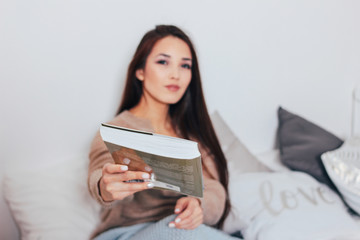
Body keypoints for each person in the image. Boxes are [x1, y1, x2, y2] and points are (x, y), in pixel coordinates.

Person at [88, 25, 239, 240]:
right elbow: (98, 174)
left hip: (184, 230)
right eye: (163, 62)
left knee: (181, 229)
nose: (175, 75)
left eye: (185, 66)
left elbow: (214, 187)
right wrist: (105, 186)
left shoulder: (192, 130)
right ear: (139, 71)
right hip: (127, 233)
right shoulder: (117, 130)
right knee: (178, 230)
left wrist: (198, 205)